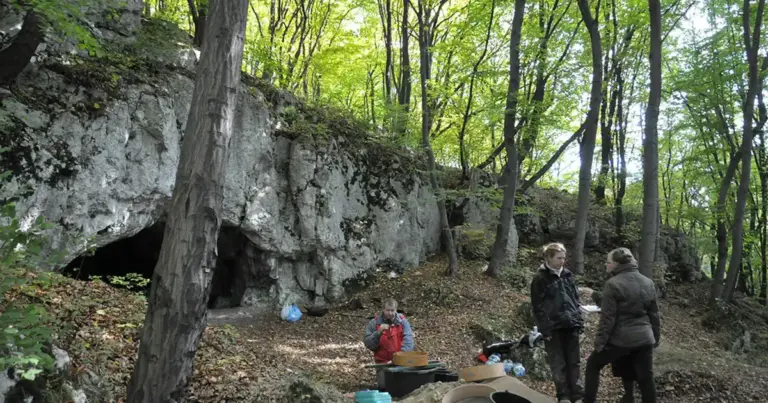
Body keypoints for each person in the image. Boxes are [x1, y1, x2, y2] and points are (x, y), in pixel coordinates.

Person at [583, 247, 660, 403]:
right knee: (646, 377)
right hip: (645, 338)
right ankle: (628, 398)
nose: (606, 265)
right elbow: (654, 314)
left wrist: (599, 344)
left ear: (617, 264)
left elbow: (607, 318)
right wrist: (655, 338)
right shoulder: (648, 282)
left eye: (608, 262)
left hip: (622, 338)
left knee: (593, 365)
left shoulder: (613, 284)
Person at [530, 242, 584, 403]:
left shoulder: (568, 274)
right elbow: (537, 306)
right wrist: (544, 329)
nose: (562, 261)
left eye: (564, 258)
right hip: (553, 327)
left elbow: (575, 298)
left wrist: (579, 320)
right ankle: (564, 396)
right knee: (558, 363)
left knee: (574, 362)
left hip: (571, 324)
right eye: (559, 258)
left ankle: (578, 395)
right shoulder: (540, 278)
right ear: (549, 258)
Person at [363, 298, 414, 389]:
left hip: (401, 362)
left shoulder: (403, 322)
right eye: (387, 310)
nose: (390, 313)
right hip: (382, 363)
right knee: (385, 388)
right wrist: (379, 332)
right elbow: (369, 344)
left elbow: (408, 341)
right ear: (383, 309)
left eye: (392, 310)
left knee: (404, 387)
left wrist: (399, 358)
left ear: (396, 310)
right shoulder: (374, 323)